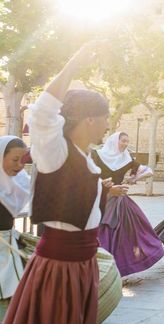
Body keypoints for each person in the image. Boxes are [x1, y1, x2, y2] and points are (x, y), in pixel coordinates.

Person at [5, 42, 126, 324]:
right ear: (89, 119)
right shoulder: (56, 152)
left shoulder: (86, 158)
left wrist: (106, 191)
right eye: (106, 117)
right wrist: (73, 65)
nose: (109, 124)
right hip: (60, 269)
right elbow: (43, 115)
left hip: (81, 265)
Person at [92, 131, 163, 277]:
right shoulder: (97, 155)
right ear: (114, 141)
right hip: (98, 197)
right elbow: (87, 176)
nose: (125, 144)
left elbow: (148, 171)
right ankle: (99, 267)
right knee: (100, 232)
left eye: (127, 141)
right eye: (122, 140)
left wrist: (133, 178)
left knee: (124, 234)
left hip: (119, 200)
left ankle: (115, 270)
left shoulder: (127, 158)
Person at [0, 136, 31, 301]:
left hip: (9, 246)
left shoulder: (21, 181)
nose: (20, 165)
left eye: (23, 160)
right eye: (15, 159)